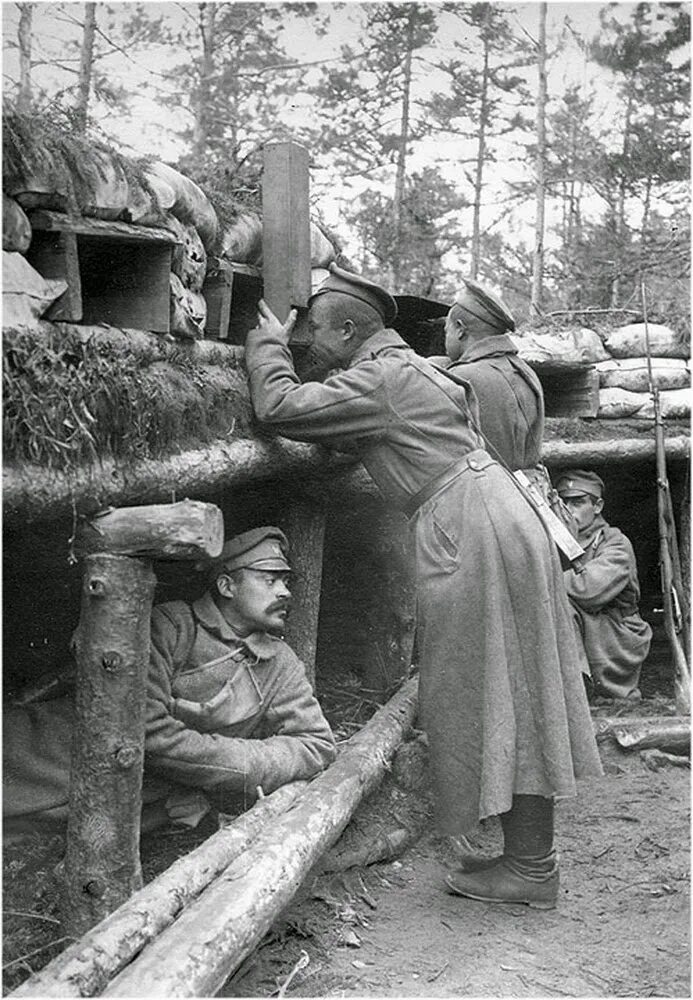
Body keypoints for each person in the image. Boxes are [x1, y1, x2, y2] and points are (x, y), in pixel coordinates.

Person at [245, 263, 602, 910]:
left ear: (352, 330)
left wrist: (265, 345)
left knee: (490, 684)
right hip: (498, 513)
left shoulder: (379, 379)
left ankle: (529, 869)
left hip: (467, 525)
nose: (308, 347)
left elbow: (277, 406)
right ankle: (530, 860)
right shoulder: (415, 369)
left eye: (317, 335)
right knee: (514, 683)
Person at [3, 527, 336, 840]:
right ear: (226, 586)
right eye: (270, 580)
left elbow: (317, 744)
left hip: (124, 790)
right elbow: (143, 729)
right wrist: (232, 767)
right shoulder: (172, 626)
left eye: (286, 582)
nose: (285, 592)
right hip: (46, 749)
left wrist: (246, 764)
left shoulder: (280, 661)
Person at [556, 470, 653, 701]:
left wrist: (542, 579)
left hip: (614, 634)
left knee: (562, 606)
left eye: (578, 502)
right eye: (563, 502)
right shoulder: (557, 540)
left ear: (597, 506)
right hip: (589, 630)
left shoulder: (615, 543)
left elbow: (588, 589)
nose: (568, 509)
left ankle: (579, 688)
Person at [429, 278, 544, 471]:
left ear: (460, 329)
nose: (445, 338)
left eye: (446, 330)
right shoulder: (526, 372)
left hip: (483, 494)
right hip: (523, 495)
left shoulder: (461, 378)